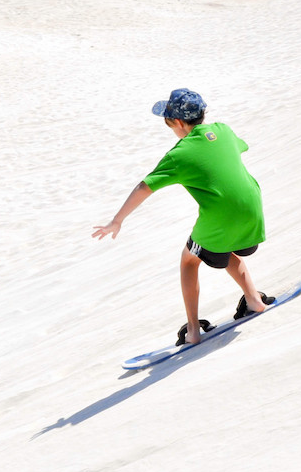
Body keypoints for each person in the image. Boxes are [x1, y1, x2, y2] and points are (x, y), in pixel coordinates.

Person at [92, 89, 270, 346]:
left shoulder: (179, 154)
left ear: (177, 122)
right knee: (220, 249)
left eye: (167, 122)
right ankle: (253, 299)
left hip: (221, 218)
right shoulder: (224, 130)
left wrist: (117, 220)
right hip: (253, 213)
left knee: (189, 260)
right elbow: (235, 150)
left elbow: (145, 186)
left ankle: (194, 331)